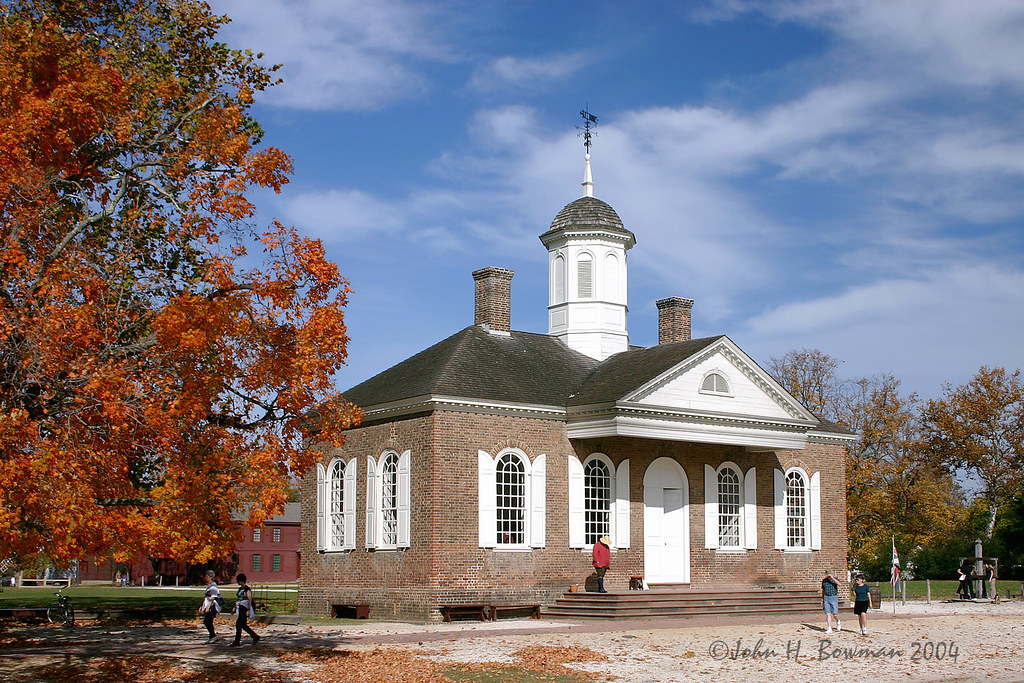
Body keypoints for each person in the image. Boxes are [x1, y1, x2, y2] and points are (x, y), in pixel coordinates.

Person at [230, 573, 260, 646]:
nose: (238, 582)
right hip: (240, 607)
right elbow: (238, 599)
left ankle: (238, 641)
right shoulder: (240, 589)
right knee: (242, 625)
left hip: (245, 608)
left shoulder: (247, 589)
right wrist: (234, 608)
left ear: (242, 581)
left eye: (239, 581)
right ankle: (254, 636)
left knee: (239, 624)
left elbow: (249, 599)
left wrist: (248, 610)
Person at [199, 570, 222, 643]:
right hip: (207, 605)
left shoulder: (213, 587)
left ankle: (213, 636)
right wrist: (202, 606)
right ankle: (212, 636)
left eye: (206, 576)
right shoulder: (209, 586)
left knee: (208, 621)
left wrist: (208, 608)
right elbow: (206, 597)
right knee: (207, 621)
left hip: (212, 606)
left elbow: (213, 598)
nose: (205, 578)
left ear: (210, 577)